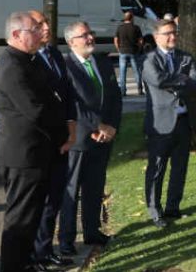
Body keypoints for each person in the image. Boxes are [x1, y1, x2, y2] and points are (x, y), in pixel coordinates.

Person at [0, 11, 72, 272]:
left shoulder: (31, 59)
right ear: (16, 35)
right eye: (34, 30)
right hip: (22, 156)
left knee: (32, 217)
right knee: (20, 221)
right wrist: (63, 133)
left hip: (38, 153)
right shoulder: (12, 65)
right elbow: (36, 109)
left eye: (39, 29)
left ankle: (26, 263)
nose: (40, 34)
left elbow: (55, 96)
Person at [59, 21, 123, 251]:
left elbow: (116, 97)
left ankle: (92, 232)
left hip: (104, 138)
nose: (90, 38)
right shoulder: (65, 67)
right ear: (71, 42)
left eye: (91, 33)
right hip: (79, 138)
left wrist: (112, 126)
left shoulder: (103, 63)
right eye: (84, 35)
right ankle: (66, 240)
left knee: (95, 188)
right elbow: (72, 104)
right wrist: (98, 125)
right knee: (71, 191)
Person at [28, 10, 77, 268]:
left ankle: (46, 251)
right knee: (41, 202)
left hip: (61, 139)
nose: (46, 27)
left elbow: (67, 94)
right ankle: (35, 255)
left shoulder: (55, 54)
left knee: (55, 199)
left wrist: (71, 128)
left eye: (47, 22)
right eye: (40, 24)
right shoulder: (29, 60)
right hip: (41, 142)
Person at [141, 19, 196, 228]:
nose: (172, 37)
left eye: (174, 32)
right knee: (156, 170)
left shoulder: (186, 57)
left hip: (183, 122)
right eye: (167, 33)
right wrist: (181, 79)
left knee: (179, 168)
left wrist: (176, 82)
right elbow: (157, 80)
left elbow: (195, 83)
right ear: (157, 37)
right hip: (161, 124)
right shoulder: (149, 60)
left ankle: (173, 208)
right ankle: (155, 212)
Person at [114, 11, 145, 95]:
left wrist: (118, 49)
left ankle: (123, 91)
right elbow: (141, 40)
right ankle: (139, 89)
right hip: (133, 51)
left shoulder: (120, 28)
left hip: (122, 51)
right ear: (132, 18)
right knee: (136, 71)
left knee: (122, 72)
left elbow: (116, 40)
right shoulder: (136, 28)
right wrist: (139, 48)